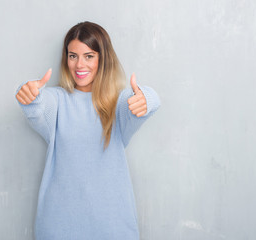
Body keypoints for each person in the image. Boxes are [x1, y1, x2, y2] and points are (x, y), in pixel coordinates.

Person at [15, 21, 160, 240]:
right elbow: (39, 106)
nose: (79, 65)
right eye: (73, 56)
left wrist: (145, 99)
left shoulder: (117, 103)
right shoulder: (58, 100)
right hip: (58, 228)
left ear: (103, 58)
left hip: (113, 228)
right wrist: (29, 94)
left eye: (89, 56)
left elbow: (146, 101)